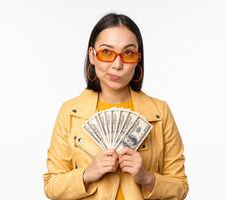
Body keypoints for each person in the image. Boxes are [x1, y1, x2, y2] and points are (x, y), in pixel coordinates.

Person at [43, 13, 189, 200]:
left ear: (137, 59)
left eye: (128, 53)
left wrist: (147, 178)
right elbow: (51, 187)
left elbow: (181, 187)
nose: (117, 64)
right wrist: (88, 174)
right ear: (92, 56)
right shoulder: (70, 112)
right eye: (106, 52)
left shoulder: (159, 112)